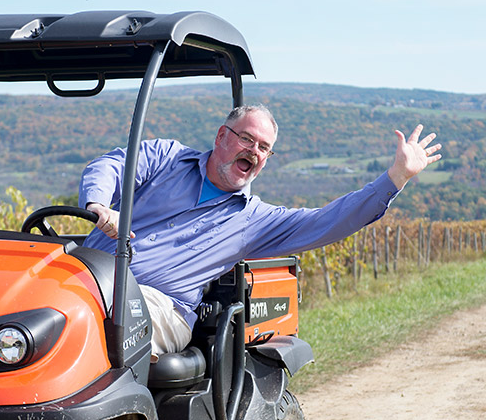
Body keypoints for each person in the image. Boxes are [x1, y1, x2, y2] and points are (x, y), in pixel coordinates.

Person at [79, 104, 441, 358]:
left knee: (96, 325)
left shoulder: (255, 220)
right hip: (86, 279)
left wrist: (396, 178)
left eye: (264, 148)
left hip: (159, 308)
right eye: (247, 140)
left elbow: (328, 220)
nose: (254, 151)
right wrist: (97, 205)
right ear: (222, 135)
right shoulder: (165, 158)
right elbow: (112, 166)